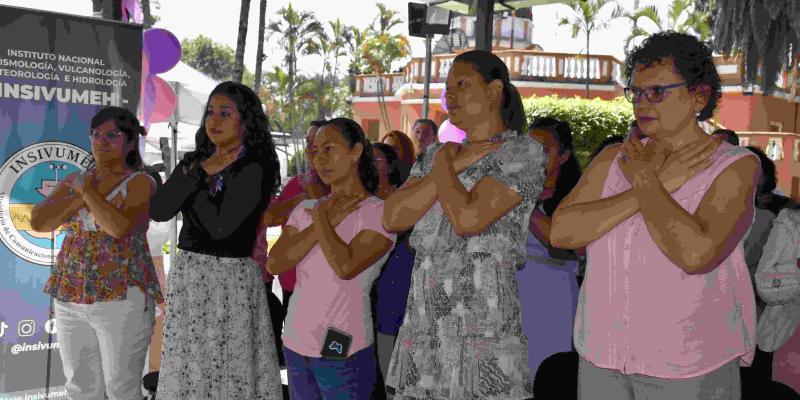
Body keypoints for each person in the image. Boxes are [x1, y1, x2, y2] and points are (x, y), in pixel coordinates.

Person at [550, 31, 759, 399]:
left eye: (658, 92)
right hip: (602, 357)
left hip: (690, 363)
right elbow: (562, 233)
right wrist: (649, 185)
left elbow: (696, 254)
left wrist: (648, 183)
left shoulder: (733, 166)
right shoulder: (615, 158)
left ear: (699, 95)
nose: (642, 103)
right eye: (636, 92)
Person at [383, 49, 547, 399]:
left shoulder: (521, 153)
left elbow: (468, 219)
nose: (450, 95)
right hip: (426, 326)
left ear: (493, 90)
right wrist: (449, 162)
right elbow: (393, 217)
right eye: (447, 87)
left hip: (480, 330)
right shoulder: (436, 156)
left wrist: (444, 165)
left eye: (461, 84)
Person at [150, 81, 283, 399]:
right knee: (191, 368)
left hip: (229, 280)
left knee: (226, 372)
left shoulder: (255, 166)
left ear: (245, 121)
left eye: (225, 113)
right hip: (190, 276)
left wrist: (196, 177)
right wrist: (201, 171)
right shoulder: (195, 162)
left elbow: (221, 228)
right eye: (210, 112)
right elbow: (159, 210)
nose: (214, 120)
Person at [30, 106, 162, 400]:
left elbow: (119, 228)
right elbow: (39, 222)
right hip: (70, 295)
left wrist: (86, 193)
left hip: (121, 297)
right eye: (96, 134)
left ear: (129, 141)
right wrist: (79, 195)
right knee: (80, 387)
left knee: (121, 389)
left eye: (112, 134)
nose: (101, 140)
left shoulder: (141, 181)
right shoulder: (77, 180)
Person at [268, 118, 396, 399]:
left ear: (355, 151)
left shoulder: (378, 213)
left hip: (343, 347)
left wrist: (324, 217)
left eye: (329, 149)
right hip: (295, 342)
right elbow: (276, 263)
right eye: (315, 151)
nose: (320, 159)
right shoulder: (306, 209)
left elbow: (345, 266)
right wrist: (323, 217)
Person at [252, 119, 330, 366]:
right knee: (297, 351)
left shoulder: (342, 184)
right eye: (308, 143)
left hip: (327, 285)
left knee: (323, 354)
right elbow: (270, 217)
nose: (310, 149)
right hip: (291, 279)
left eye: (316, 144)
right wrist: (302, 196)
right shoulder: (298, 182)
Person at [518, 116, 582, 384]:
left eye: (544, 150)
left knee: (547, 374)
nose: (534, 156)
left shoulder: (575, 196)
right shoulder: (510, 190)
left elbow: (565, 243)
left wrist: (527, 207)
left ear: (564, 155)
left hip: (553, 296)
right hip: (517, 293)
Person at [370, 143, 414, 399]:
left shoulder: (404, 193)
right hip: (369, 275)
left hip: (398, 271)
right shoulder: (362, 196)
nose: (373, 164)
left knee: (392, 329)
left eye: (378, 159)